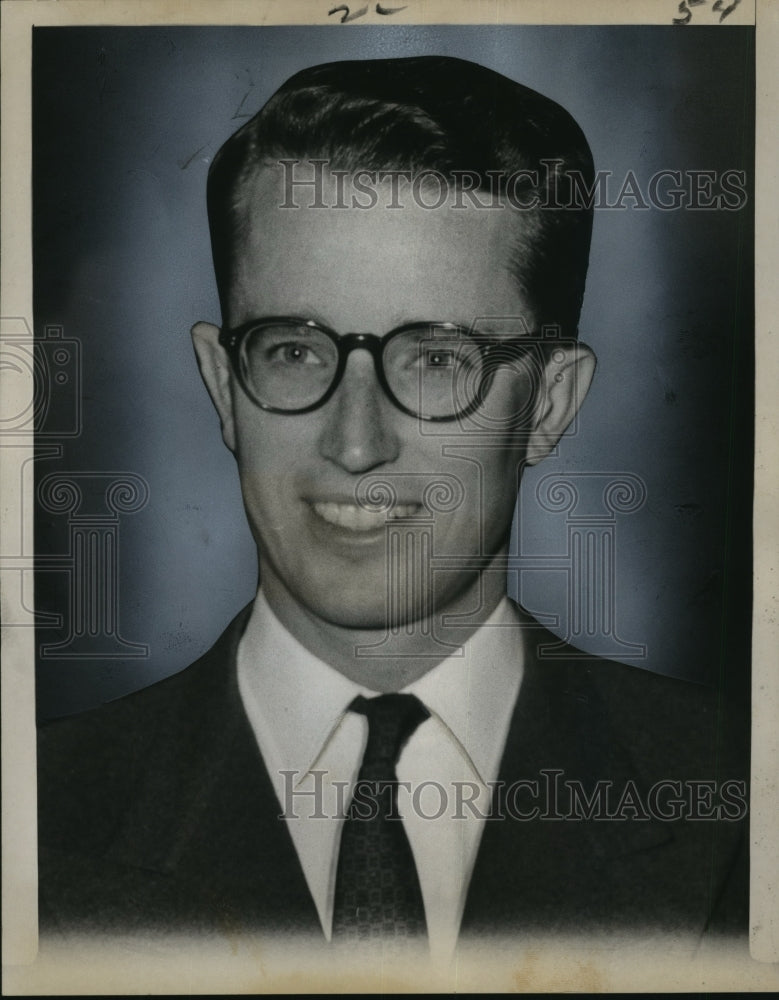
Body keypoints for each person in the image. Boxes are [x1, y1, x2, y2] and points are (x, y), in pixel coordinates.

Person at [37, 56, 748, 962]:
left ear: (550, 403)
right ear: (223, 385)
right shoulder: (32, 812)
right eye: (293, 350)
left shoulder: (739, 795)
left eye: (438, 358)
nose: (356, 443)